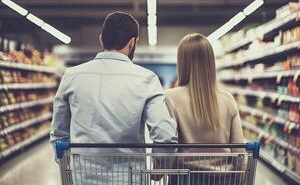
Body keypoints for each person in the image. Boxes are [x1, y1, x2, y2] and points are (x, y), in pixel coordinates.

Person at [50, 11, 178, 184]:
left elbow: (59, 134)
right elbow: (165, 136)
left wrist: (67, 164)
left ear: (101, 39)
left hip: (83, 177)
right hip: (130, 178)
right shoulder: (146, 79)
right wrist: (160, 167)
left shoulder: (72, 76)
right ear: (133, 42)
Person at [164, 33, 245, 185]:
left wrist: (161, 169)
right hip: (224, 179)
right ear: (210, 62)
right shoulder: (227, 99)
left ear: (182, 62)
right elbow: (239, 151)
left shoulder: (170, 97)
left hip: (185, 178)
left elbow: (169, 145)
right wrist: (240, 179)